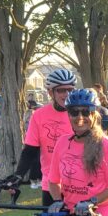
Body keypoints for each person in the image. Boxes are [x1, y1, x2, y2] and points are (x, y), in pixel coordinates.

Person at [12, 68, 76, 208]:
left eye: (70, 90)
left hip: (78, 184)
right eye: (61, 90)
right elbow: (30, 150)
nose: (66, 94)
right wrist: (18, 175)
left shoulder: (80, 114)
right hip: (51, 184)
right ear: (50, 92)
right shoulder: (39, 115)